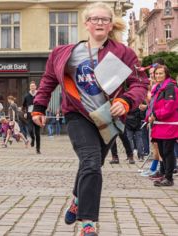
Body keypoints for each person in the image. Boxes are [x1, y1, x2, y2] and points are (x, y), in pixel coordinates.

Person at [31, 3, 148, 235]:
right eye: (95, 19)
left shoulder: (124, 53)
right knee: (92, 162)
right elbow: (48, 81)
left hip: (108, 117)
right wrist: (38, 108)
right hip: (78, 115)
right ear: (86, 24)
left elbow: (140, 83)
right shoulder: (64, 53)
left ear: (111, 24)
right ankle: (88, 223)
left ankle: (77, 199)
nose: (100, 23)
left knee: (91, 164)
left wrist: (125, 101)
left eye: (105, 19)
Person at [146, 65, 178, 187]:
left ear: (166, 75)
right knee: (163, 153)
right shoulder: (159, 88)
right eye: (156, 74)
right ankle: (164, 174)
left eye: (160, 73)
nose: (158, 76)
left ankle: (169, 178)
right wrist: (151, 116)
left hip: (168, 125)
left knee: (168, 151)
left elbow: (170, 106)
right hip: (160, 125)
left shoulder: (170, 88)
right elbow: (155, 106)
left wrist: (156, 115)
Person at [22, 81, 41, 154]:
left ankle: (38, 149)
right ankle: (33, 139)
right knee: (30, 130)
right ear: (29, 87)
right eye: (31, 86)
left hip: (37, 115)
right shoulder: (26, 96)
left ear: (36, 87)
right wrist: (24, 113)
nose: (32, 87)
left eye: (33, 86)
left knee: (37, 133)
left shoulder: (39, 95)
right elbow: (23, 106)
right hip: (30, 115)